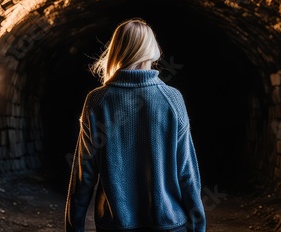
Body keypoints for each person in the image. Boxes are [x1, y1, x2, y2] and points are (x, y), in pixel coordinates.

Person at [64, 18, 206, 232]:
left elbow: (83, 176)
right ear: (152, 50)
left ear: (117, 50)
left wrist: (74, 228)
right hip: (169, 225)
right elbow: (187, 173)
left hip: (115, 225)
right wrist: (198, 226)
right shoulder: (171, 99)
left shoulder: (97, 101)